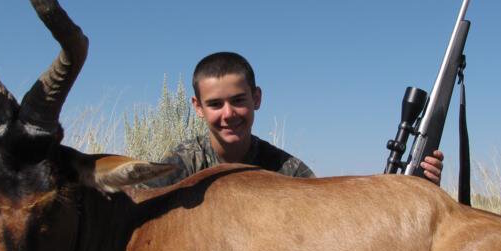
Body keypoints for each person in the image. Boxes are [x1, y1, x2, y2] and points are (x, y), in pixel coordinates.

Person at [143, 51, 443, 187]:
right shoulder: (180, 165)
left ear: (256, 98)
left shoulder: (288, 170)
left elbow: (329, 215)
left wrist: (415, 188)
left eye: (238, 101)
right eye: (215, 104)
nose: (228, 114)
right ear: (198, 107)